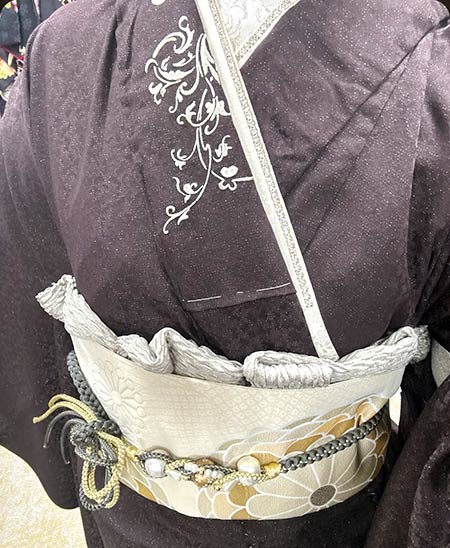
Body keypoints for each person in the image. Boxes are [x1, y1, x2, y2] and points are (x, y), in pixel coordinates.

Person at [1, 0, 449, 547]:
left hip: (144, 513)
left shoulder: (62, 52)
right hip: (337, 519)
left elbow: (26, 281)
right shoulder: (433, 77)